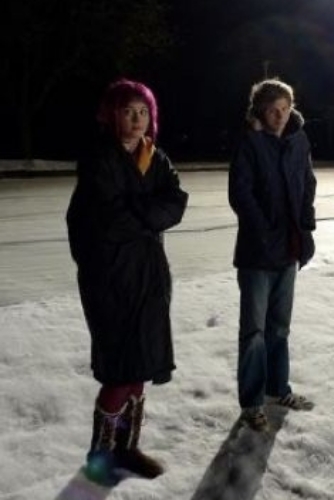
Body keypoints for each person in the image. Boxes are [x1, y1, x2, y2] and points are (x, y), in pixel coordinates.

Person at [66, 78, 188, 484]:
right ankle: (100, 457)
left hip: (149, 276)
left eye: (143, 112)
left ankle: (127, 448)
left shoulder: (155, 157)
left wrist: (139, 211)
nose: (137, 120)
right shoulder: (99, 160)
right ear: (111, 115)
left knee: (141, 364)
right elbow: (106, 219)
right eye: (128, 111)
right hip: (110, 278)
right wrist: (147, 213)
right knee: (119, 370)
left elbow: (176, 202)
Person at [228, 78, 317, 432]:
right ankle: (252, 403)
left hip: (289, 249)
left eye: (284, 108)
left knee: (279, 328)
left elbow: (308, 183)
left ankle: (278, 389)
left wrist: (306, 226)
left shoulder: (298, 140)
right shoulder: (249, 143)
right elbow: (240, 193)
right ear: (260, 112)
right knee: (254, 332)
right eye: (272, 110)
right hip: (257, 253)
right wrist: (263, 230)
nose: (280, 116)